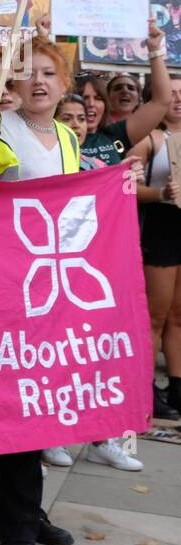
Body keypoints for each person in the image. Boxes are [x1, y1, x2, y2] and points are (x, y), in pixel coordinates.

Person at [0, 41, 82, 545]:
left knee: (44, 402)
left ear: (65, 84)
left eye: (49, 74)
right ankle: (13, 527)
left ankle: (28, 511)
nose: (38, 82)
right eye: (27, 73)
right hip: (7, 284)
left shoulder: (66, 136)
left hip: (55, 288)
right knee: (18, 405)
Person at [129, 72, 181, 423]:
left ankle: (176, 387)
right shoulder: (152, 138)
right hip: (161, 230)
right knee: (155, 317)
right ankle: (142, 389)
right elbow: (123, 182)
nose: (178, 99)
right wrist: (159, 193)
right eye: (172, 93)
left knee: (179, 317)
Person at [79, 32, 171, 166]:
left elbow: (161, 101)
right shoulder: (57, 139)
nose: (91, 104)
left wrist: (154, 49)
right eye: (83, 97)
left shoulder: (114, 135)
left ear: (105, 104)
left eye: (98, 98)